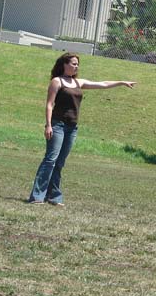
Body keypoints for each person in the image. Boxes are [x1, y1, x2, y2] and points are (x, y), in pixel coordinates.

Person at [28, 53, 136, 206]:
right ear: (64, 64)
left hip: (71, 128)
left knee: (59, 162)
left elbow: (103, 84)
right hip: (58, 125)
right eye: (73, 63)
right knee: (50, 160)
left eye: (77, 64)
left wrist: (122, 82)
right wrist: (48, 125)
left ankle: (53, 197)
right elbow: (49, 104)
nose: (76, 66)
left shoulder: (78, 82)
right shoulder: (57, 81)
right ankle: (37, 196)